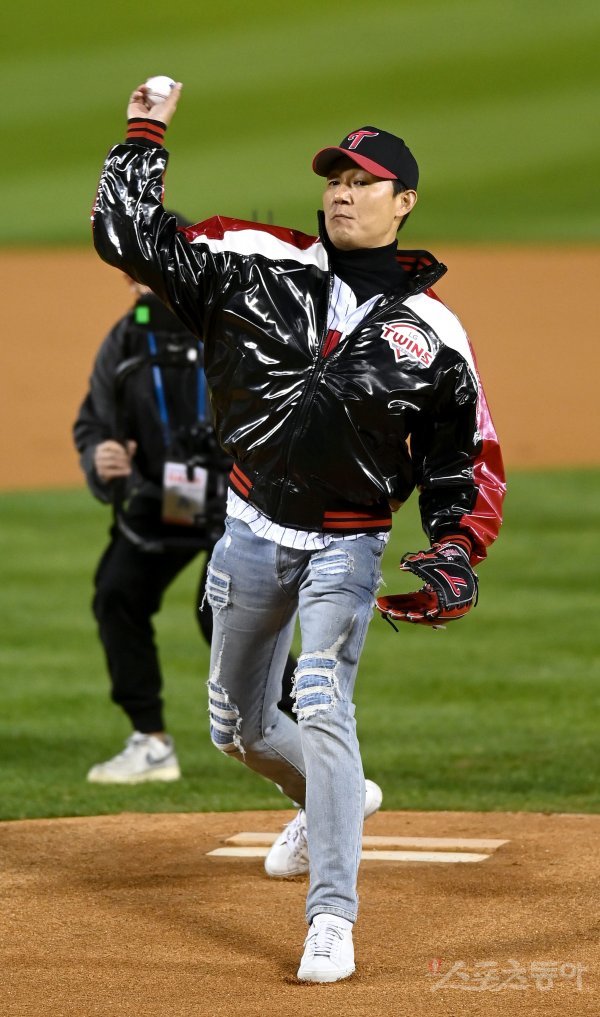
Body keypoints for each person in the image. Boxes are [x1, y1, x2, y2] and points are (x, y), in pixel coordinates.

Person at [92, 83, 505, 981]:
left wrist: (455, 548)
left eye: (365, 182)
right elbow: (126, 235)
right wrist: (144, 132)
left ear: (404, 201)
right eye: (335, 179)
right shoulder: (254, 262)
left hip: (348, 543)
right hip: (247, 528)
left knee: (320, 698)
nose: (343, 193)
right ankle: (335, 798)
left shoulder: (433, 332)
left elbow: (463, 457)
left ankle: (331, 917)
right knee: (236, 726)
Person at [74, 266, 297, 784]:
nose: (139, 288)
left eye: (149, 273)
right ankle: (150, 742)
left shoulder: (240, 327)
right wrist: (101, 456)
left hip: (241, 497)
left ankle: (316, 730)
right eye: (134, 277)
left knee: (221, 612)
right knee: (118, 592)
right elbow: (95, 422)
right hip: (166, 494)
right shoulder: (127, 339)